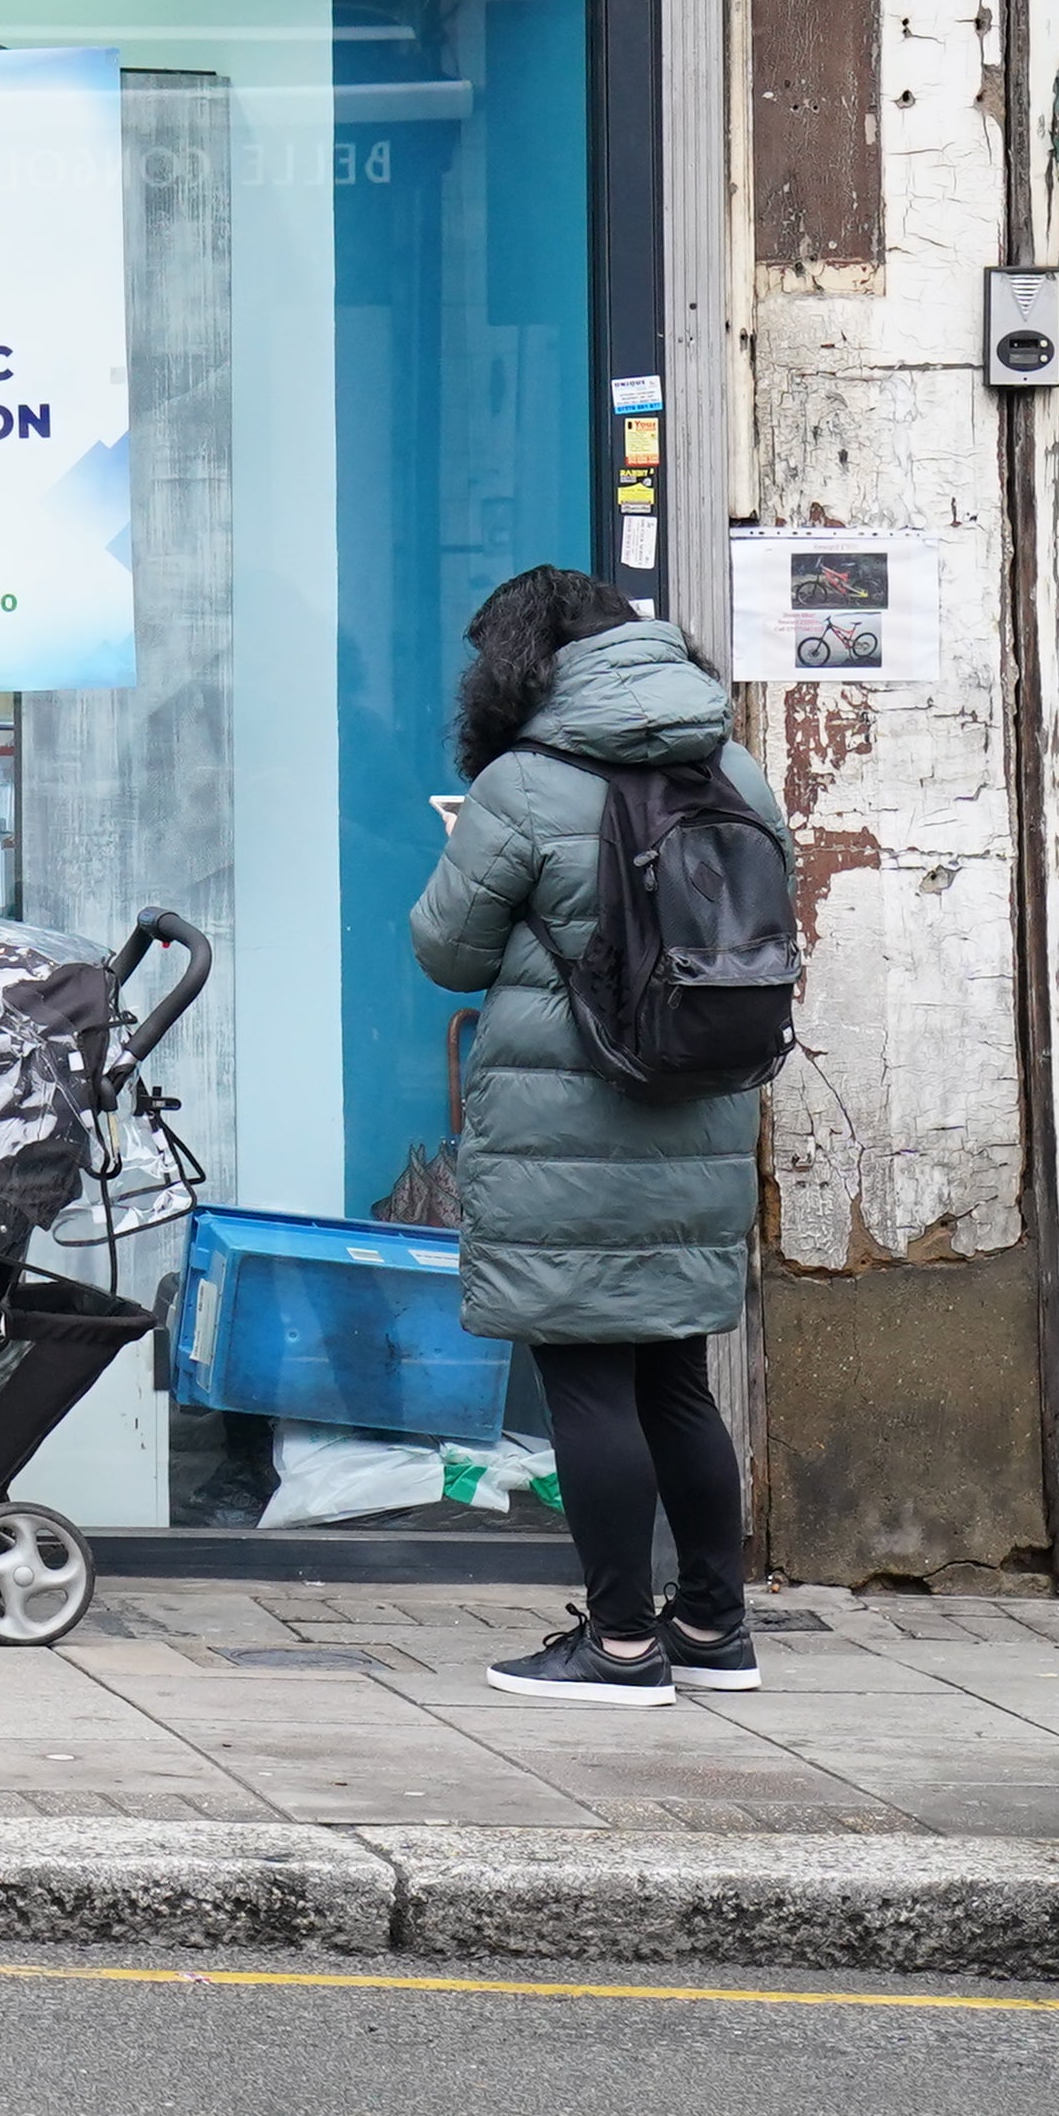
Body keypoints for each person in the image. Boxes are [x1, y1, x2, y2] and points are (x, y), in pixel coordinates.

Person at [410, 566, 782, 1708]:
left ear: (521, 666)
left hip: (570, 1125)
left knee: (585, 1380)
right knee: (676, 1376)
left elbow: (447, 951)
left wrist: (478, 846)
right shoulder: (733, 761)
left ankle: (621, 1645)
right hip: (702, 1111)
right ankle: (714, 1624)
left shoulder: (525, 781)